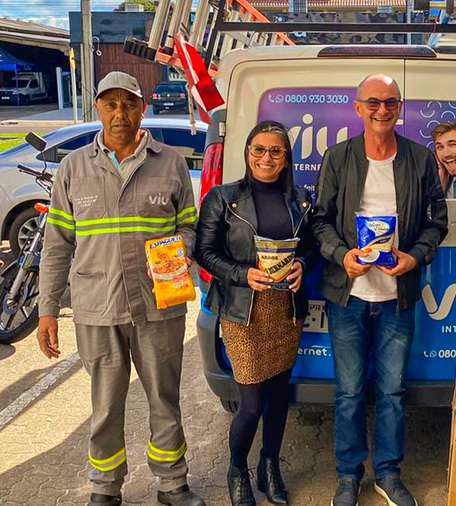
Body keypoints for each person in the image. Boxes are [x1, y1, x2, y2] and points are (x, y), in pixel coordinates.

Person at [36, 71, 204, 506]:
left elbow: (190, 225)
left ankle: (172, 483)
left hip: (159, 304)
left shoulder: (170, 163)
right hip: (98, 306)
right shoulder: (74, 168)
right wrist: (47, 310)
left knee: (164, 399)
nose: (120, 113)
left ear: (141, 109)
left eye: (128, 104)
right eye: (110, 104)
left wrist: (177, 252)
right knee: (106, 405)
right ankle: (105, 487)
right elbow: (57, 245)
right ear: (98, 108)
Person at [312, 74, 448, 506]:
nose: (382, 110)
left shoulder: (420, 159)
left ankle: (388, 474)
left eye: (390, 102)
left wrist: (416, 257)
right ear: (358, 108)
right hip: (349, 295)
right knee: (349, 393)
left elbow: (437, 223)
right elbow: (319, 221)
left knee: (392, 393)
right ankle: (348, 476)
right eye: (373, 102)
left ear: (400, 108)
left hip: (397, 297)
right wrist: (341, 255)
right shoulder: (338, 158)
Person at [195, 121, 314, 506]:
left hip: (286, 310)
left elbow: (311, 247)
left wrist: (303, 265)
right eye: (258, 149)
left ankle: (269, 465)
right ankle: (237, 469)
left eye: (275, 151)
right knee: (250, 404)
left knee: (279, 398)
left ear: (286, 158)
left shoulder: (301, 200)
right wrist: (241, 274)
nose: (266, 158)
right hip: (242, 311)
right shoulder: (223, 198)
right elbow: (204, 252)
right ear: (247, 153)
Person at [431, 122, 456, 198]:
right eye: (440, 147)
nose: (446, 154)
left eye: (452, 144)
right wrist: (441, 182)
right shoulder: (446, 179)